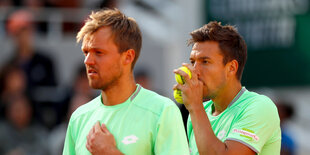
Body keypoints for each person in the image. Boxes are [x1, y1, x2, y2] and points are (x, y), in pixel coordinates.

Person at [63, 8, 189, 155]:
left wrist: (110, 152)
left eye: (99, 52)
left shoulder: (162, 110)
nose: (88, 61)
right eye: (86, 52)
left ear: (128, 57)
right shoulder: (79, 117)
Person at [173, 21, 281, 155]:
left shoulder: (260, 106)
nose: (195, 71)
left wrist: (195, 107)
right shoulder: (199, 113)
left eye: (205, 62)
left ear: (231, 68)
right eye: (193, 62)